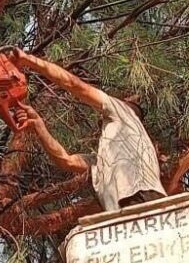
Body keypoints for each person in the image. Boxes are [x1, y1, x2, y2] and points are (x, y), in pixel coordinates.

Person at [9, 48, 165, 212]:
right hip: (125, 210)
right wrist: (38, 126)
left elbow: (74, 85)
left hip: (141, 199)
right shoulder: (106, 160)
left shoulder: (124, 112)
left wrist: (29, 60)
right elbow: (66, 160)